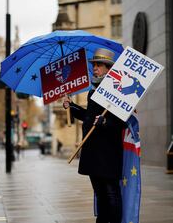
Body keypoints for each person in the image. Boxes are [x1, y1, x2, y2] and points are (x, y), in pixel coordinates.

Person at [63, 48, 124, 223]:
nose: (94, 68)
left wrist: (105, 123)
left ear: (108, 68)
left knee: (111, 193)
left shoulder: (116, 90)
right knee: (100, 193)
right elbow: (89, 118)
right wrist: (72, 106)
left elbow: (121, 122)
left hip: (108, 153)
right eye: (94, 65)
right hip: (93, 151)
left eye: (98, 65)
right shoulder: (93, 91)